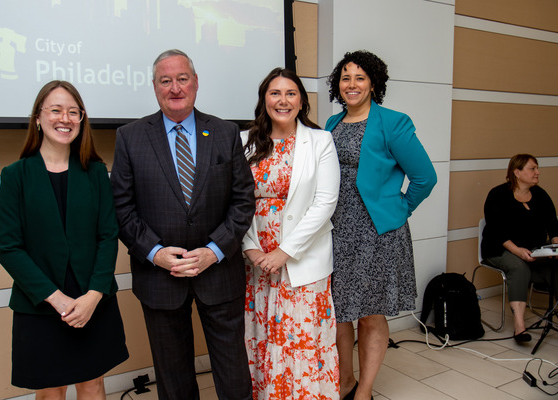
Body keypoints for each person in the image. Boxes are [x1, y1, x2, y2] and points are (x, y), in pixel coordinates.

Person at [110, 49, 255, 400]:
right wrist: (155, 253)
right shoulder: (130, 137)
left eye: (182, 78)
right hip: (160, 277)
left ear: (196, 83)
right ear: (155, 87)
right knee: (173, 379)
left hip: (219, 272)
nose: (175, 88)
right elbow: (122, 208)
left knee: (234, 373)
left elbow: (243, 200)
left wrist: (214, 250)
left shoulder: (224, 132)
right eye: (165, 80)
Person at [0, 80, 129, 399]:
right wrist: (57, 299)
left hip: (93, 301)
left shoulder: (96, 172)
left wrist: (94, 295)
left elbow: (108, 236)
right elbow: (9, 248)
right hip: (41, 305)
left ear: (82, 120)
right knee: (51, 390)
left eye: (73, 112)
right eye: (55, 110)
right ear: (38, 118)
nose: (64, 118)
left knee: (92, 384)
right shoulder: (15, 175)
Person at [325, 51, 437, 400]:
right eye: (346, 77)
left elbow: (425, 177)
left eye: (360, 77)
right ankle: (345, 382)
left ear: (374, 83)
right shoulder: (331, 125)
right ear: (337, 85)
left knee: (370, 315)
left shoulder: (394, 122)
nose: (352, 84)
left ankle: (365, 391)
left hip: (377, 234)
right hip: (335, 232)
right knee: (339, 312)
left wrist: (399, 210)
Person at [242, 68, 341, 399]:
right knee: (262, 338)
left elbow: (325, 202)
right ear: (264, 100)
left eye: (290, 93)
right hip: (256, 263)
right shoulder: (243, 141)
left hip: (303, 259)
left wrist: (284, 252)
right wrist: (251, 249)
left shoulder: (320, 141)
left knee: (301, 342)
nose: (282, 100)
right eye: (274, 93)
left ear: (301, 101)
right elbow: (232, 201)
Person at [481, 154, 558, 343]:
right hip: (500, 250)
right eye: (532, 169)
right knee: (518, 267)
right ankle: (519, 326)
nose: (537, 172)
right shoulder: (497, 195)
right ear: (517, 172)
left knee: (556, 267)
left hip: (535, 250)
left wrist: (556, 247)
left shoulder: (540, 195)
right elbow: (496, 230)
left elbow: (553, 226)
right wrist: (517, 251)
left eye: (537, 168)